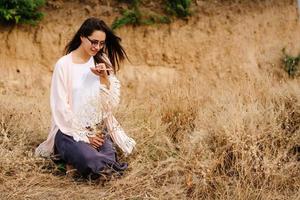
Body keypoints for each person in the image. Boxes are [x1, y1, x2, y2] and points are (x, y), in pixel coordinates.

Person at [35, 17, 136, 178]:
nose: (97, 47)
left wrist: (104, 78)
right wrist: (85, 136)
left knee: (107, 154)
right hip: (68, 131)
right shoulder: (64, 65)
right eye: (94, 42)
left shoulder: (101, 61)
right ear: (82, 36)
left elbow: (109, 105)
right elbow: (60, 107)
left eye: (101, 43)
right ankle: (104, 167)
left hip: (97, 128)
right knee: (89, 157)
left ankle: (82, 166)